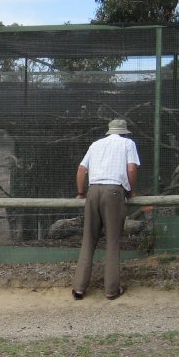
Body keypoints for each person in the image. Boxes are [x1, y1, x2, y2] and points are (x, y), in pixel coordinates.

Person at [72, 118, 141, 300]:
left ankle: (79, 288)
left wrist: (81, 193)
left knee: (88, 239)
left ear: (109, 131)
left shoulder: (95, 145)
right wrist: (131, 191)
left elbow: (81, 169)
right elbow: (131, 170)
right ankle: (111, 290)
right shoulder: (128, 144)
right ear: (124, 132)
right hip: (114, 191)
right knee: (112, 241)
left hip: (93, 191)